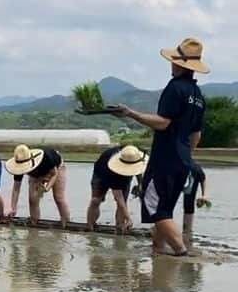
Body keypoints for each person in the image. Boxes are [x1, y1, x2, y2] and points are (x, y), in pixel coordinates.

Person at [113, 37, 208, 255]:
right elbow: (196, 133)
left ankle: (182, 254)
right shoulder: (198, 95)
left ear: (179, 64)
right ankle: (158, 253)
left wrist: (131, 114)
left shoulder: (175, 88)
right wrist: (187, 157)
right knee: (165, 210)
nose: (171, 64)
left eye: (174, 60)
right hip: (183, 159)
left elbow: (163, 122)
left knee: (157, 210)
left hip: (165, 158)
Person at [87, 145, 148, 232]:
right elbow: (119, 198)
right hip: (101, 175)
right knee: (96, 200)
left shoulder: (133, 153)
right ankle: (90, 225)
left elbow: (139, 168)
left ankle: (120, 227)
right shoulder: (112, 168)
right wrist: (129, 219)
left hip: (122, 174)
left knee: (123, 204)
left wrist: (140, 184)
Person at [5, 145, 70, 226]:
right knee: (32, 199)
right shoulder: (18, 166)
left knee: (59, 197)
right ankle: (34, 221)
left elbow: (54, 174)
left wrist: (46, 188)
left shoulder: (46, 158)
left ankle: (66, 222)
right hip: (35, 174)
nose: (23, 169)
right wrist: (13, 208)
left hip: (55, 168)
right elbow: (16, 189)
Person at [183, 161, 208, 235]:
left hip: (189, 185)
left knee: (188, 204)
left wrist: (204, 195)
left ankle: (187, 231)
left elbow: (203, 179)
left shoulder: (195, 168)